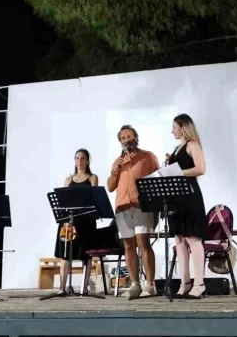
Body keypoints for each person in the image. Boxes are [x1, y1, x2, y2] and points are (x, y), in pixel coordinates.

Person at [107, 125, 159, 299]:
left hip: (142, 205)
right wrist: (114, 171)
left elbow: (158, 178)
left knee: (143, 243)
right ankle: (135, 285)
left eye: (129, 136)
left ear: (136, 137)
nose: (127, 140)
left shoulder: (148, 156)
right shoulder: (118, 161)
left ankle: (150, 285)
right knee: (128, 246)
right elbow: (110, 187)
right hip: (122, 206)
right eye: (123, 138)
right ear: (120, 142)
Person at [166, 114, 208, 299]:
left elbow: (200, 169)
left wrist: (177, 172)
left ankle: (199, 284)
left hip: (190, 196)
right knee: (180, 240)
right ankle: (185, 283)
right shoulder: (176, 149)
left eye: (174, 127)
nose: (172, 131)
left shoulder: (192, 145)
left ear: (183, 127)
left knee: (193, 239)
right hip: (177, 198)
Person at [53, 149, 99, 294]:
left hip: (86, 221)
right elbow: (63, 202)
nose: (79, 161)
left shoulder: (92, 178)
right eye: (77, 158)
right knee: (65, 254)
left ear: (87, 161)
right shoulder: (68, 180)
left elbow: (93, 199)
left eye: (83, 158)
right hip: (70, 222)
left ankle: (84, 288)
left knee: (86, 254)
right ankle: (62, 288)